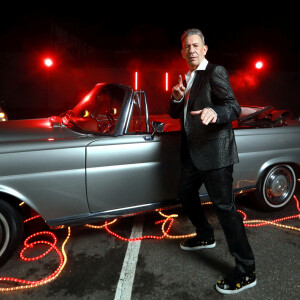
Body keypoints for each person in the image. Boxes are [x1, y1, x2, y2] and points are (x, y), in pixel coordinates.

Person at [169, 28, 256, 295]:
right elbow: (176, 114)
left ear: (205, 49)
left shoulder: (215, 72)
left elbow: (233, 107)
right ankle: (205, 235)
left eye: (196, 45)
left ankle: (246, 270)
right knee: (185, 193)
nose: (191, 50)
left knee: (225, 210)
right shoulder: (187, 77)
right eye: (186, 46)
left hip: (216, 154)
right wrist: (176, 96)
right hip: (192, 154)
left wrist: (214, 112)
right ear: (182, 51)